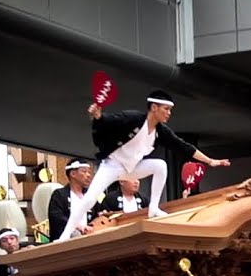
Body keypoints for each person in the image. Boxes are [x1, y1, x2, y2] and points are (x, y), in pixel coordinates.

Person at [60, 90, 231, 240]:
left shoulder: (161, 131)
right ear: (154, 108)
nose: (169, 113)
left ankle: (154, 208)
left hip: (132, 168)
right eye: (166, 109)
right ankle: (65, 235)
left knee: (160, 165)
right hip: (112, 165)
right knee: (89, 199)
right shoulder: (134, 118)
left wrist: (210, 161)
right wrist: (97, 116)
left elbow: (183, 146)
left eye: (170, 110)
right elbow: (109, 121)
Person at [46, 158, 100, 242]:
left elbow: (97, 213)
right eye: (84, 171)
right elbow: (57, 218)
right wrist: (78, 226)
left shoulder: (89, 195)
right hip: (67, 240)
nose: (88, 175)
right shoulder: (60, 195)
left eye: (89, 172)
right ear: (73, 174)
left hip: (89, 236)